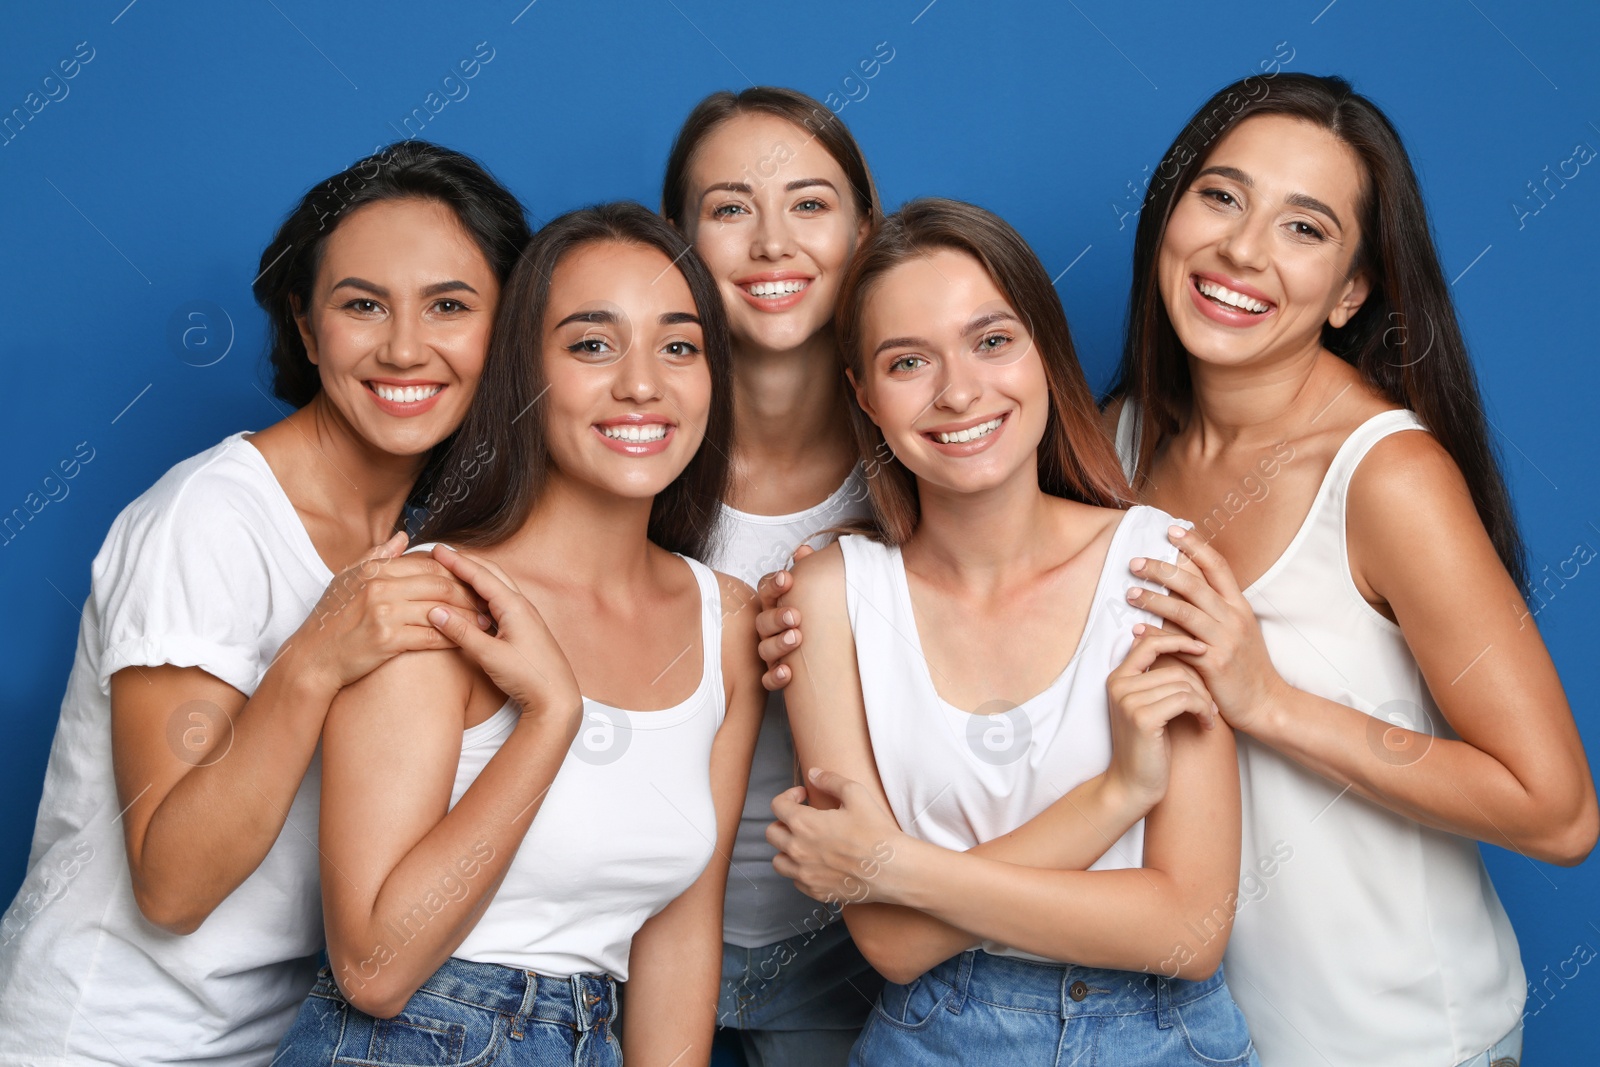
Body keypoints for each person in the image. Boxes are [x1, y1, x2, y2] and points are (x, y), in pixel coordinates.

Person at [1104, 73, 1598, 1066]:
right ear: (1168, 210)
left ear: (1351, 293)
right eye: (1221, 195)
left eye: (1305, 227)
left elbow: (1558, 811)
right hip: (1194, 1040)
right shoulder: (1114, 442)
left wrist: (1269, 699)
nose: (1241, 249)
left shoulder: (1386, 477)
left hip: (1401, 1043)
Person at [0, 141, 529, 1067]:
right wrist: (316, 655)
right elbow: (172, 884)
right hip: (104, 1042)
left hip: (280, 1046)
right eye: (362, 304)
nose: (405, 346)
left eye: (449, 305)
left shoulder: (434, 529)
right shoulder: (207, 518)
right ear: (307, 323)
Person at [766, 198, 1258, 1065]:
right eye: (908, 360)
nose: (959, 390)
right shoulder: (828, 598)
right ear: (864, 396)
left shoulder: (1157, 566)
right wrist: (1117, 795)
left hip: (1158, 1036)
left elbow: (1188, 929)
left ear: (1044, 350)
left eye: (992, 340)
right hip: (934, 1035)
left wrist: (898, 866)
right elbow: (892, 943)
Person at [273, 202, 765, 1067]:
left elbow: (682, 931)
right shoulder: (434, 598)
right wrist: (549, 719)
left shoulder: (724, 618)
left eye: (678, 345)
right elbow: (374, 968)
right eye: (592, 344)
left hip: (589, 1039)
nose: (642, 383)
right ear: (523, 374)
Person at [660, 86, 885, 1064]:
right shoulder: (618, 446)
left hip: (849, 945)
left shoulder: (938, 450)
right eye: (727, 208)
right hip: (633, 932)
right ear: (675, 242)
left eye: (808, 203)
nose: (769, 244)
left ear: (863, 232)